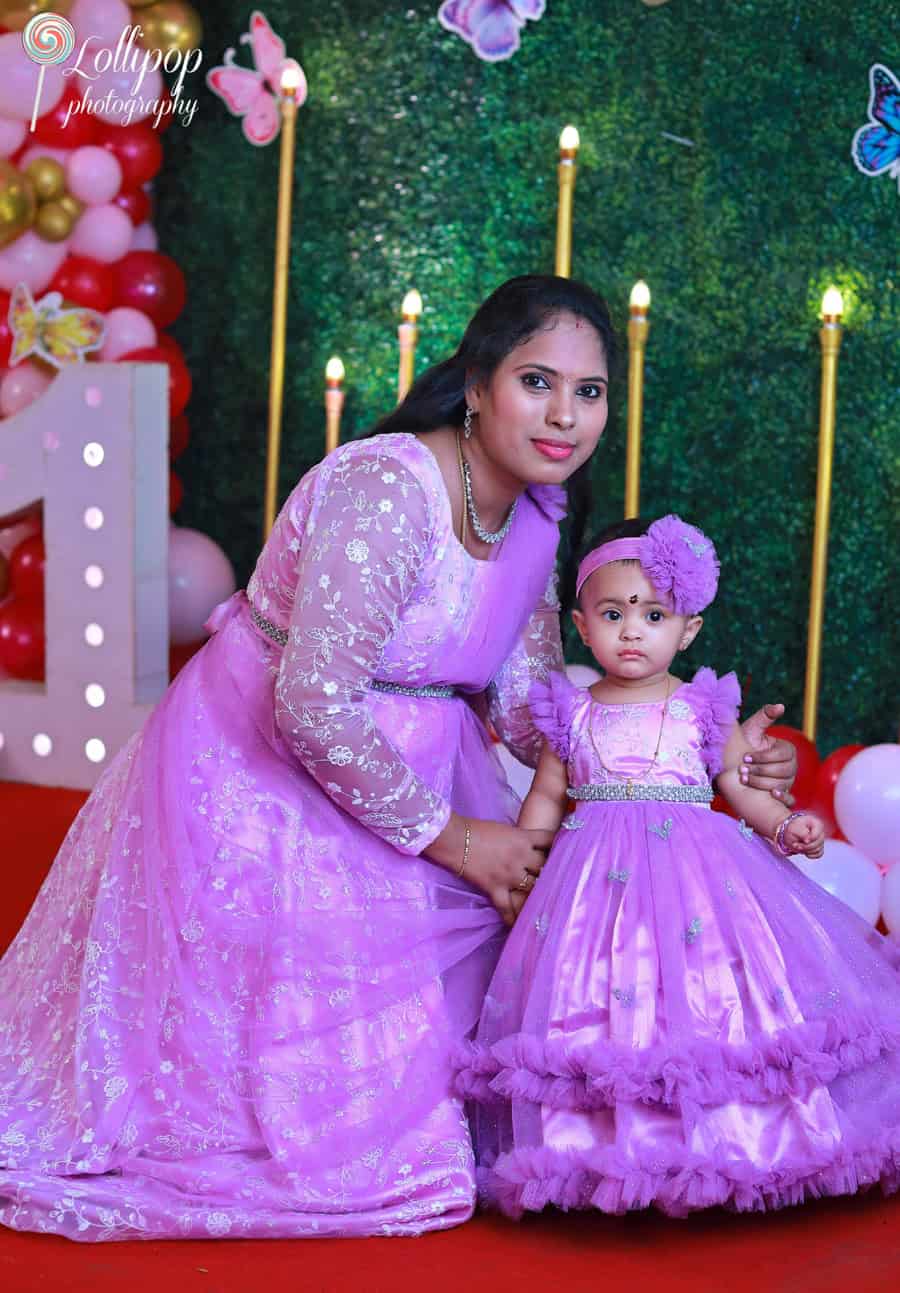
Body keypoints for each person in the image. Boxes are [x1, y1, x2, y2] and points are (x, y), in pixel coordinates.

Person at [0, 278, 796, 1242]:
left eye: (589, 393)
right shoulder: (388, 489)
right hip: (263, 774)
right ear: (475, 382)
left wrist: (681, 754)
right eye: (537, 381)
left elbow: (523, 701)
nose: (563, 416)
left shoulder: (540, 512)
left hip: (420, 771)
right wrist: (460, 841)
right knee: (353, 1110)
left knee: (538, 966)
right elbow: (311, 703)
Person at [457, 514, 900, 1219]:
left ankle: (732, 1141)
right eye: (612, 613)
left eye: (653, 614)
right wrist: (521, 865)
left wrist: (785, 823)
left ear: (687, 629)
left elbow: (739, 785)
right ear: (581, 623)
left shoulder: (701, 707)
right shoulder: (571, 712)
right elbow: (545, 797)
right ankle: (604, 1147)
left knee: (713, 996)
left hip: (697, 879)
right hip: (589, 886)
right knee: (598, 1002)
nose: (632, 631)